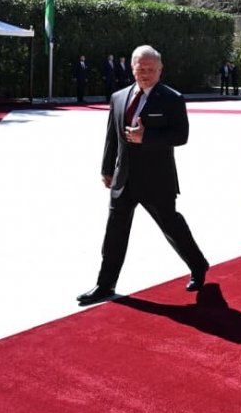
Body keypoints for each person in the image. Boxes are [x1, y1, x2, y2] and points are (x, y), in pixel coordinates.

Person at [78, 45, 209, 306]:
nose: (146, 74)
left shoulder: (172, 98)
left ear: (160, 70)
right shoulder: (118, 97)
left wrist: (146, 137)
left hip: (157, 179)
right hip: (123, 178)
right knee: (114, 233)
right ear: (132, 68)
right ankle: (105, 284)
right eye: (141, 69)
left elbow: (181, 136)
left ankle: (198, 265)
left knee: (171, 226)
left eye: (151, 69)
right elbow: (112, 137)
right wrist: (107, 169)